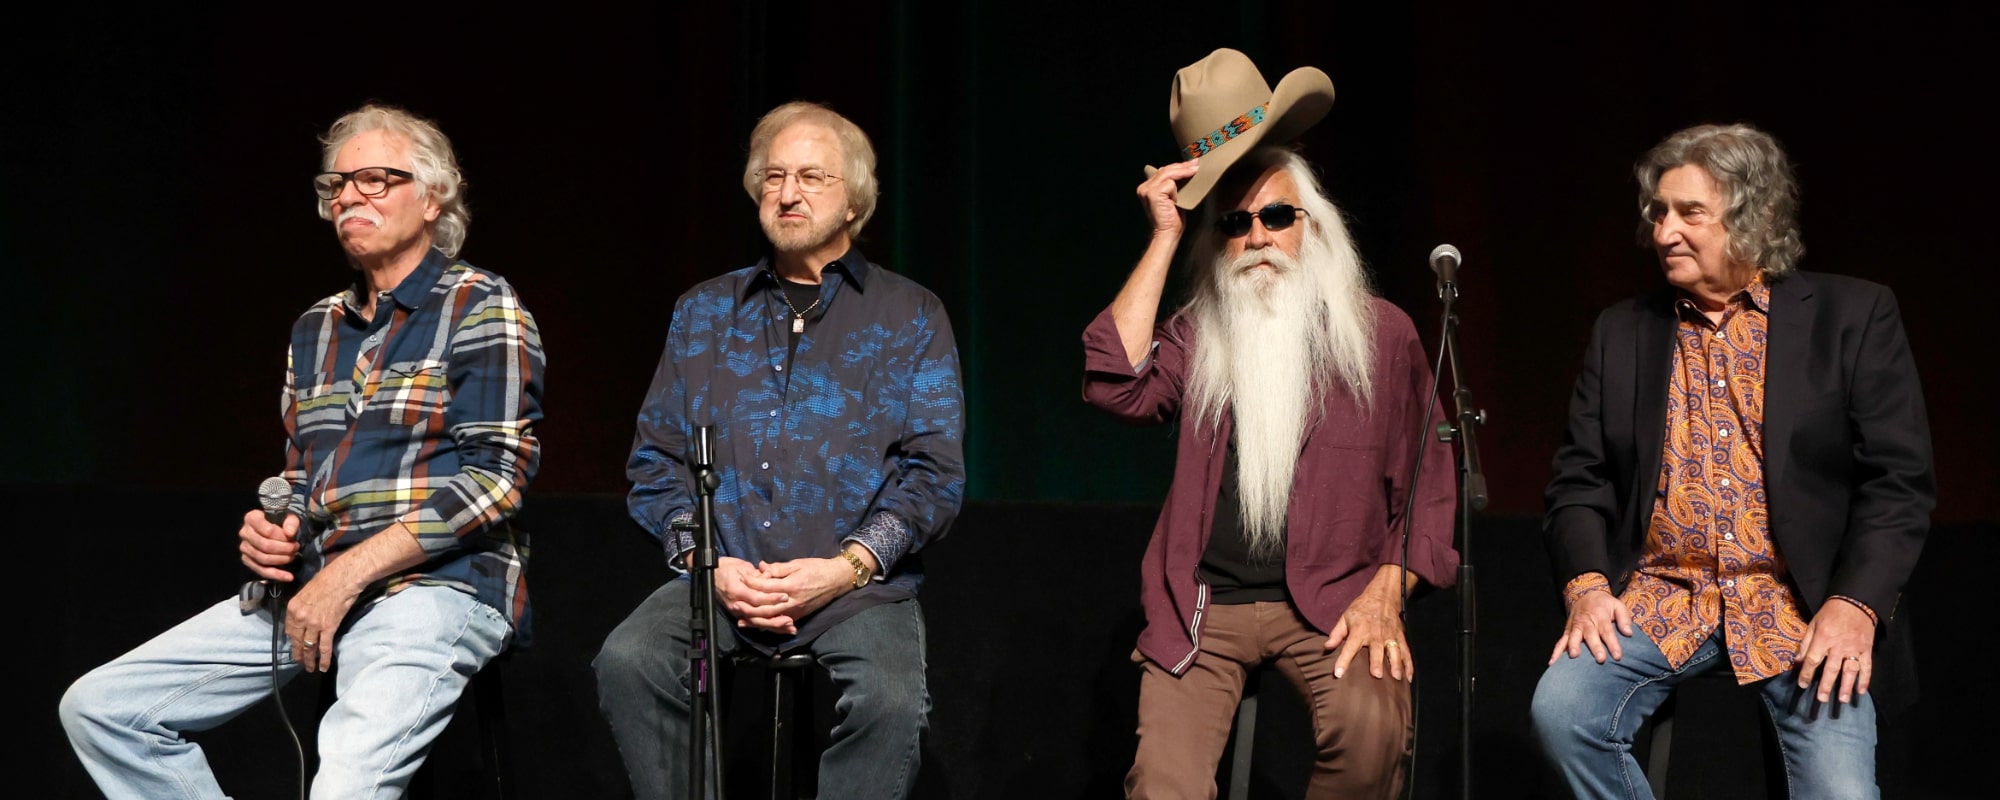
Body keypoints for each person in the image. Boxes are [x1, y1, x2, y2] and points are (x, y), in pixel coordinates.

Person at [59, 103, 546, 798]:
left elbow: (496, 481)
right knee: (103, 709)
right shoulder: (316, 326)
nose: (348, 195)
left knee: (343, 784)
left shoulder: (481, 304)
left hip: (435, 586)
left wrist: (348, 577)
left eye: (375, 179)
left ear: (433, 196)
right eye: (336, 185)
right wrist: (273, 527)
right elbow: (300, 473)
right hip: (312, 584)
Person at [1082, 48, 1459, 799]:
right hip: (1205, 611)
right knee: (1163, 785)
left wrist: (1390, 587)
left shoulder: (1381, 336)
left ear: (1312, 227)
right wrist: (1163, 234)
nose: (1258, 237)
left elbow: (1430, 485)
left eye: (1278, 217)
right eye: (1234, 222)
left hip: (1334, 600)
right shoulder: (1199, 331)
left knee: (1373, 735)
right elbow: (1116, 384)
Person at [1531, 122, 1934, 799]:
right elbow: (1579, 479)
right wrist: (1589, 587)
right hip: (1661, 597)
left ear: (1757, 218)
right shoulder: (1622, 331)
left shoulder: (1853, 315)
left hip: (1799, 609)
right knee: (1563, 713)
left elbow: (1899, 483)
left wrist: (1856, 604)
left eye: (1690, 212)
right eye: (1659, 211)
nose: (1664, 232)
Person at [593, 100, 966, 800]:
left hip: (857, 586)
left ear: (854, 200)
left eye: (811, 177)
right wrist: (709, 562)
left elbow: (933, 475)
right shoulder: (704, 310)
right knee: (628, 660)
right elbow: (655, 464)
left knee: (889, 703)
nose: (787, 193)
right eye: (773, 177)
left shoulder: (911, 314)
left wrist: (846, 567)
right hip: (722, 574)